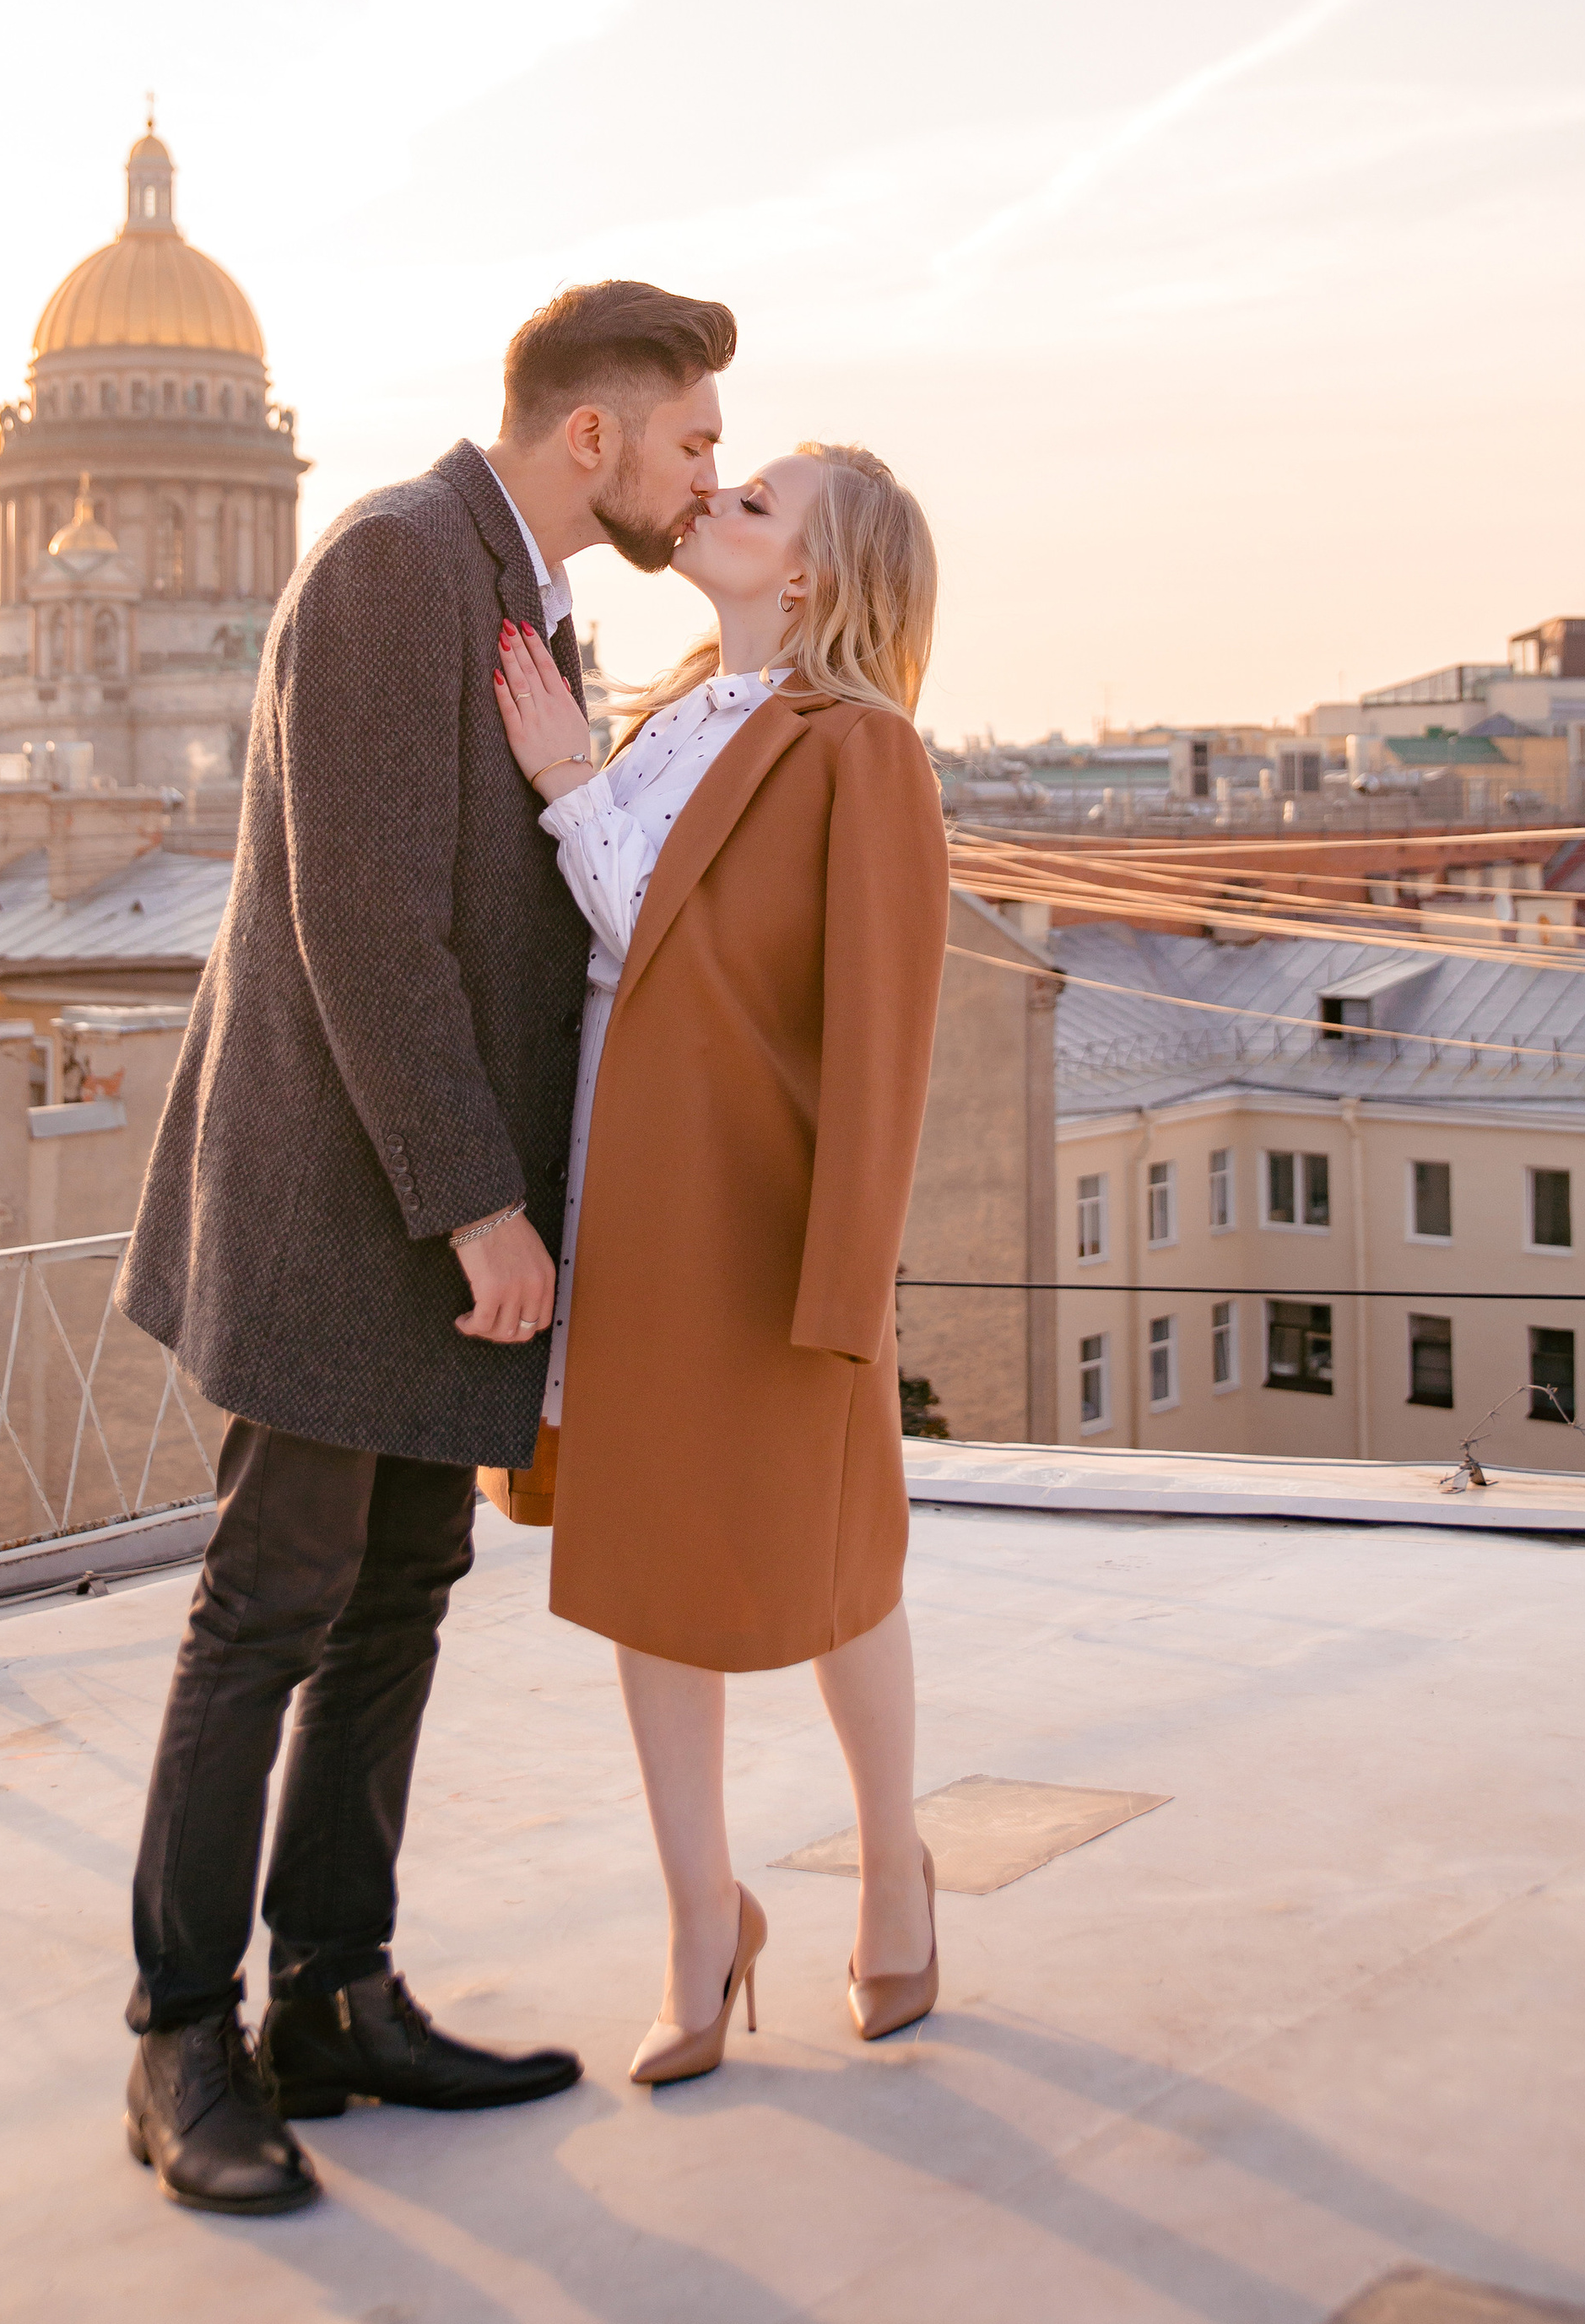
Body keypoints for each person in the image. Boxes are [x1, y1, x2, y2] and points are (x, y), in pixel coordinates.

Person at [111, 278, 735, 2212]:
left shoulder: (514, 587)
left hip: (429, 1217)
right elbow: (363, 923)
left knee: (394, 1596)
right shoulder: (395, 561)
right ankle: (175, 2037)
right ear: (587, 437)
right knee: (269, 1608)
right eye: (691, 439)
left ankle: (329, 1992)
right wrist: (477, 1202)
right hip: (346, 1209)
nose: (704, 474)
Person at [490, 440, 947, 2087]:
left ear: (814, 575)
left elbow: (869, 1024)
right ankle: (705, 1916)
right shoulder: (669, 713)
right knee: (649, 1562)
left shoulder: (861, 750)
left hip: (758, 1211)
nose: (715, 503)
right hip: (622, 1192)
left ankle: (891, 1866)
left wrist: (848, 1280)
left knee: (834, 1553)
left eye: (755, 504)